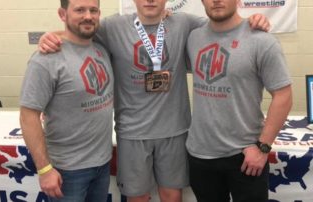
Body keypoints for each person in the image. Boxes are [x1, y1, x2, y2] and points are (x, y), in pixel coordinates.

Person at [38, 1, 270, 201]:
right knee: (138, 197)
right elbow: (78, 31)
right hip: (132, 132)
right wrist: (50, 35)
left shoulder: (184, 23)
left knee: (172, 196)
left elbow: (225, 25)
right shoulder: (113, 26)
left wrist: (254, 20)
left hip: (175, 130)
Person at [186, 0, 293, 201]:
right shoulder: (193, 36)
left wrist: (263, 148)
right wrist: (164, 14)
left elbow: (284, 95)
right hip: (200, 155)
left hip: (245, 156)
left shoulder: (261, 40)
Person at [19, 0, 114, 201]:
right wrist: (44, 169)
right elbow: (28, 117)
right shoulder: (45, 59)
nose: (88, 16)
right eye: (79, 10)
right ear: (63, 14)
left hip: (102, 164)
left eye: (93, 10)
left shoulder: (102, 50)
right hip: (67, 172)